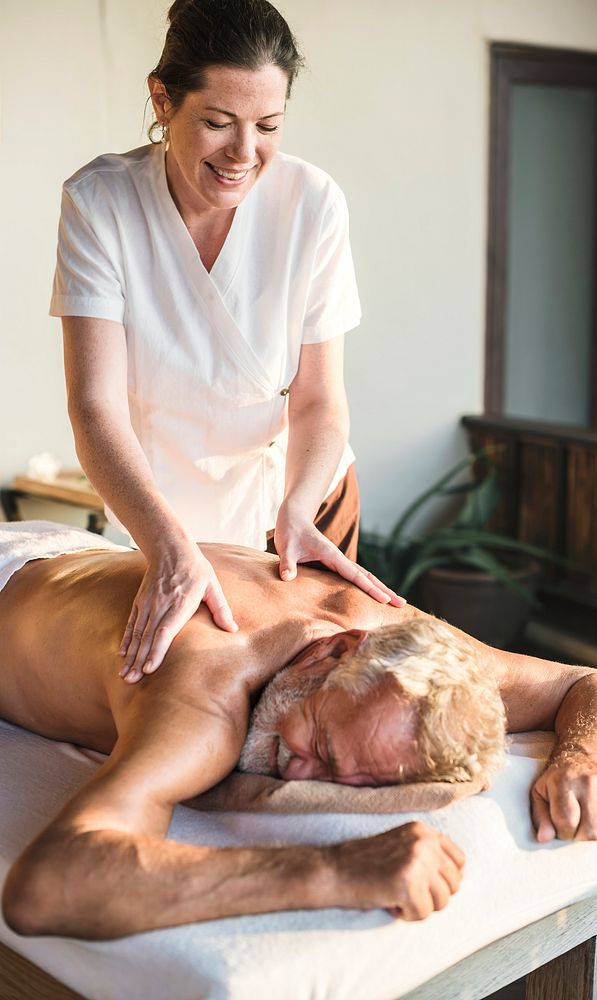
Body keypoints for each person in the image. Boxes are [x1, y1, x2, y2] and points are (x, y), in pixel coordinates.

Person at [0, 522, 597, 940]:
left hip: (79, 557)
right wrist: (331, 870)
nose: (298, 778)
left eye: (347, 780)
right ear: (329, 655)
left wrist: (584, 757)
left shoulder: (407, 651)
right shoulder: (203, 692)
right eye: (321, 746)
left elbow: (594, 685)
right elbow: (46, 887)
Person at [50, 0, 401, 682]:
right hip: (168, 509)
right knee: (196, 689)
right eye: (217, 123)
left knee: (317, 701)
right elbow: (95, 409)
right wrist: (165, 544)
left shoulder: (312, 204)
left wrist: (298, 510)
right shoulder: (102, 204)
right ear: (163, 99)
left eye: (268, 126)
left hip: (304, 501)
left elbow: (320, 400)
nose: (245, 154)